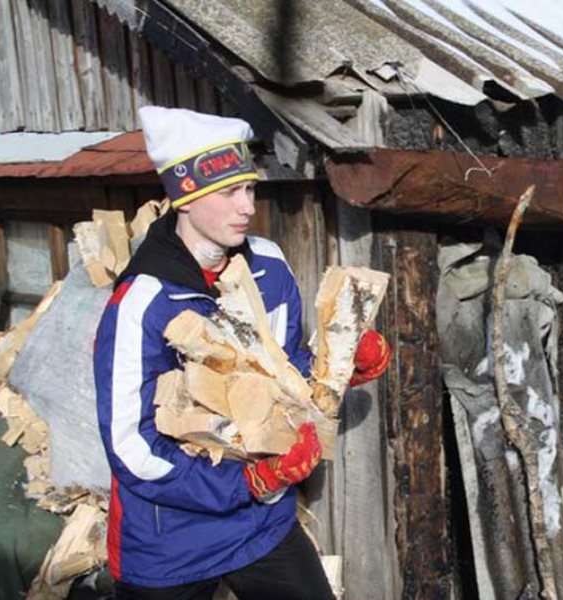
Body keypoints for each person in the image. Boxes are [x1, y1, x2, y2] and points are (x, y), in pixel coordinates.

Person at [93, 107, 391, 599]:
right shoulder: (140, 303)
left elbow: (282, 368)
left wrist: (339, 366)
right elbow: (132, 446)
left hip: (260, 523)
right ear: (184, 199)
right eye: (229, 192)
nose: (248, 206)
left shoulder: (268, 266)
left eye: (249, 188)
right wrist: (245, 480)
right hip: (171, 541)